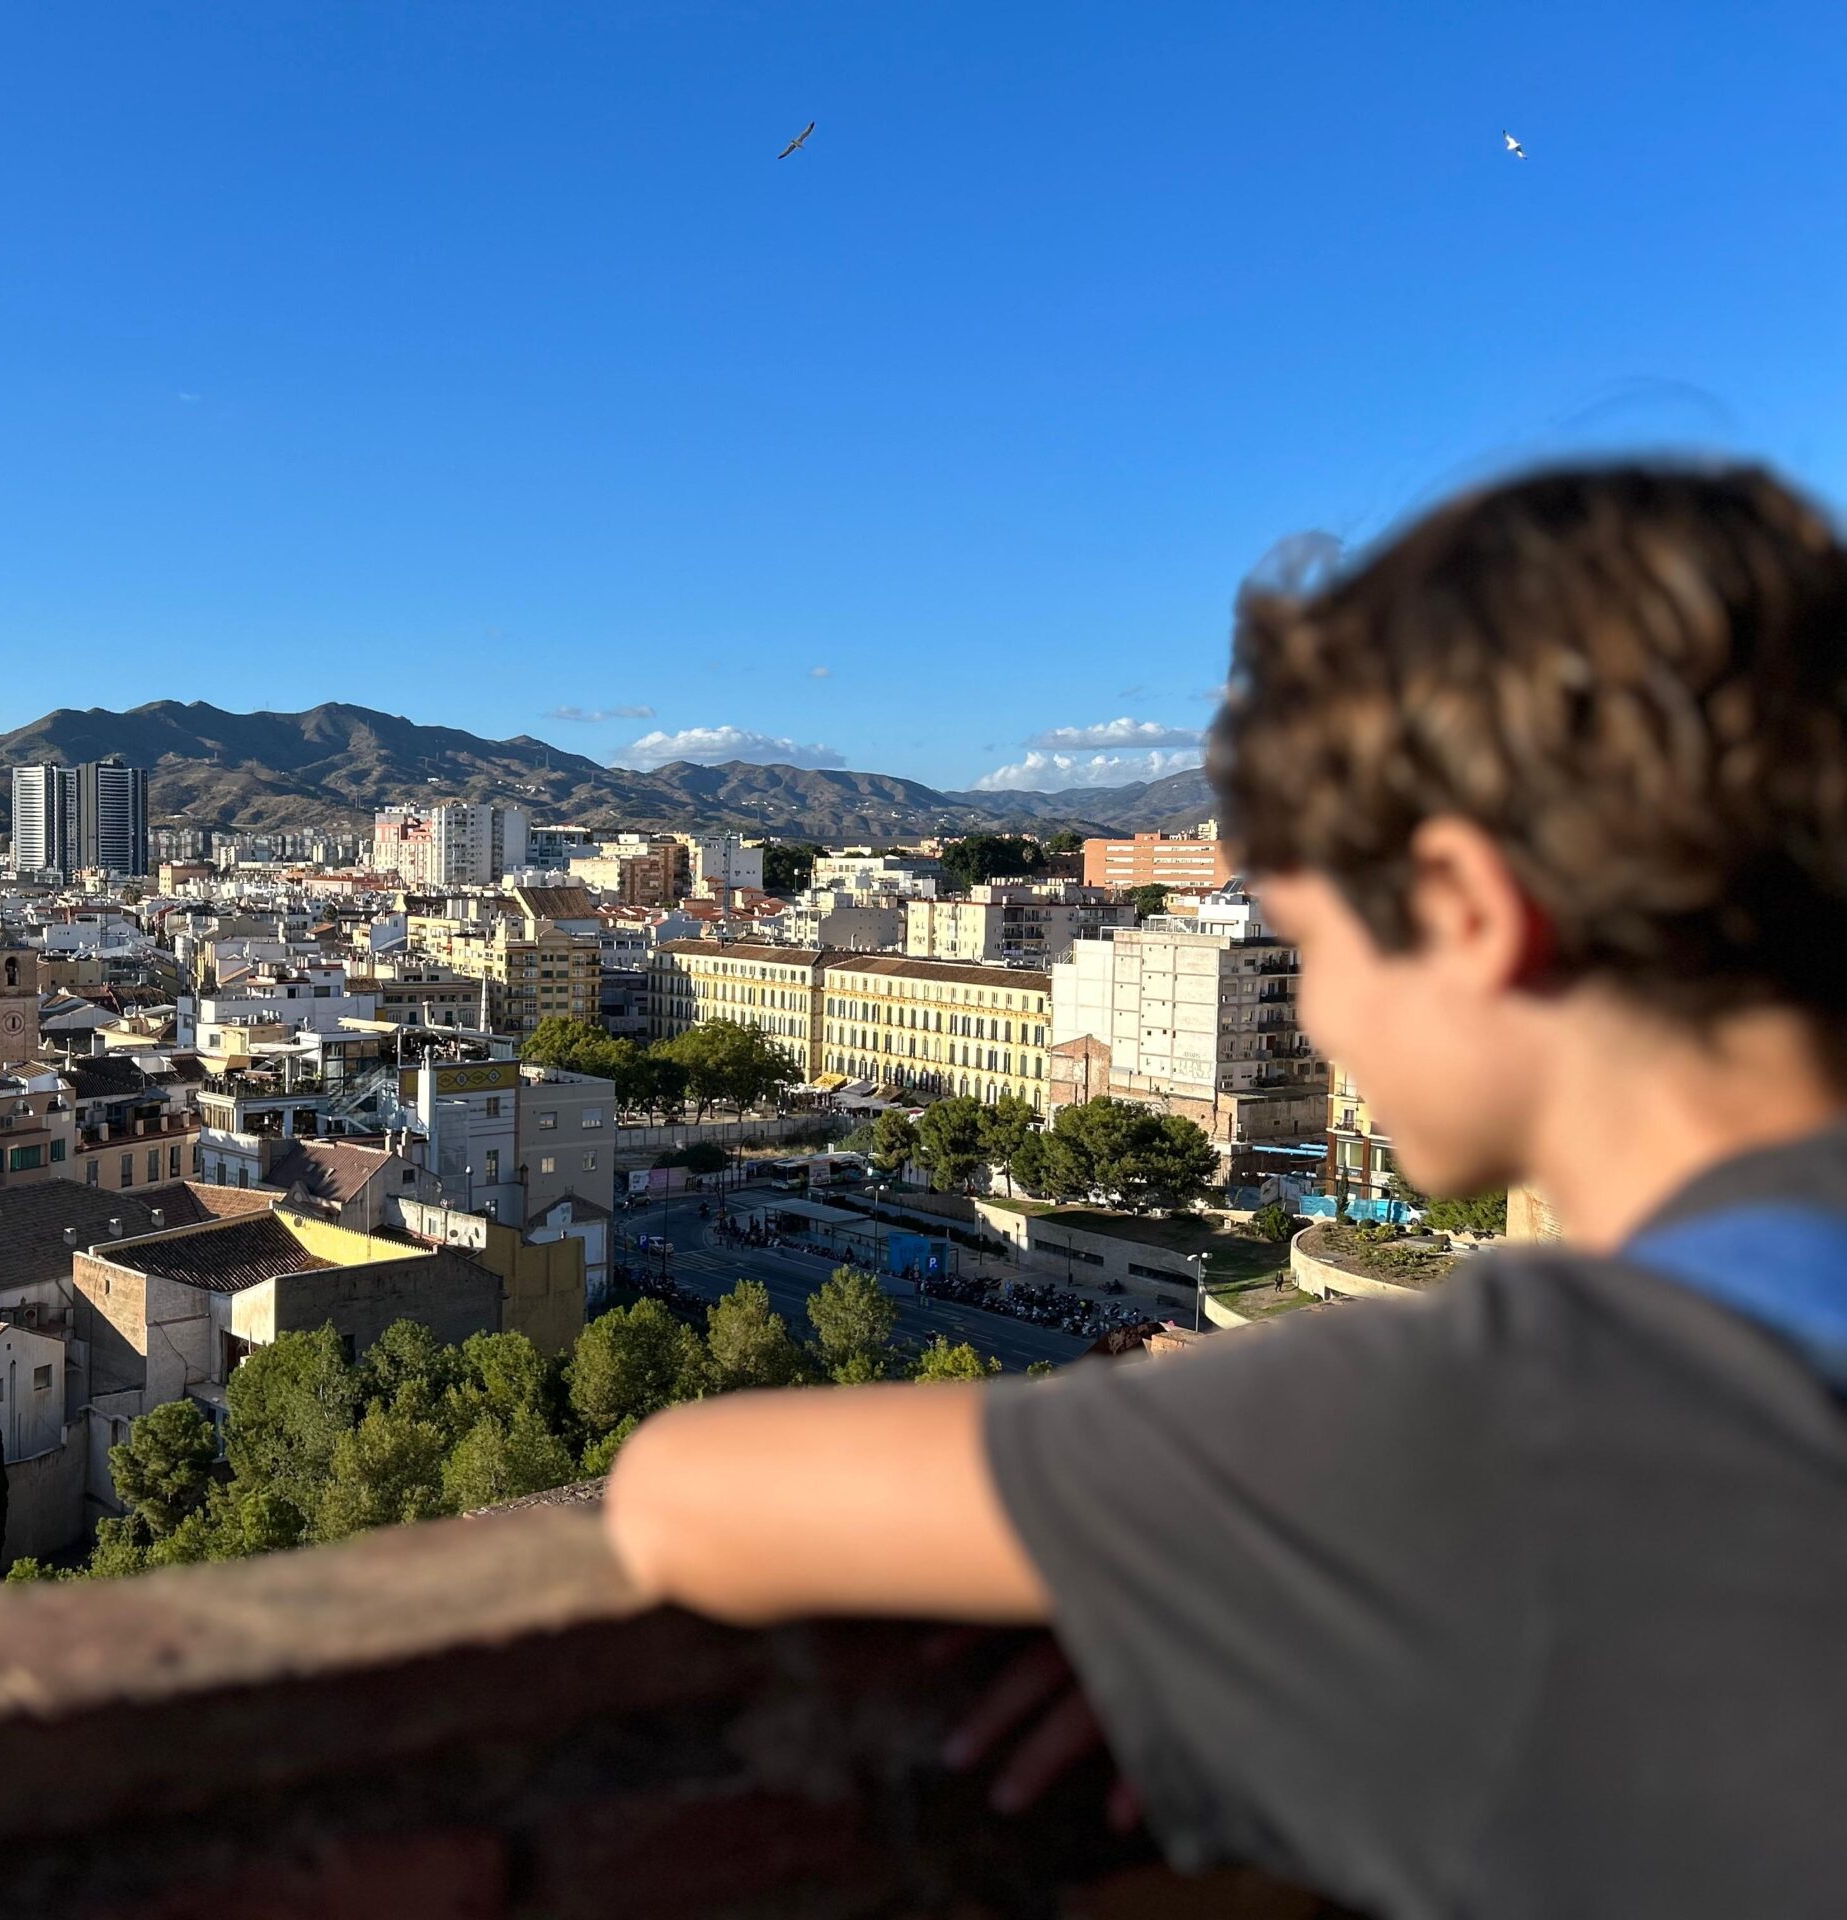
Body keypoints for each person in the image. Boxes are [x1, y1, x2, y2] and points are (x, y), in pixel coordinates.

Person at [604, 465, 1847, 1920]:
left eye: (1313, 942)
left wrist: (1202, 1499)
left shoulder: (1497, 1422)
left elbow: (677, 1498)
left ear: (1465, 914)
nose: (1314, 1018)